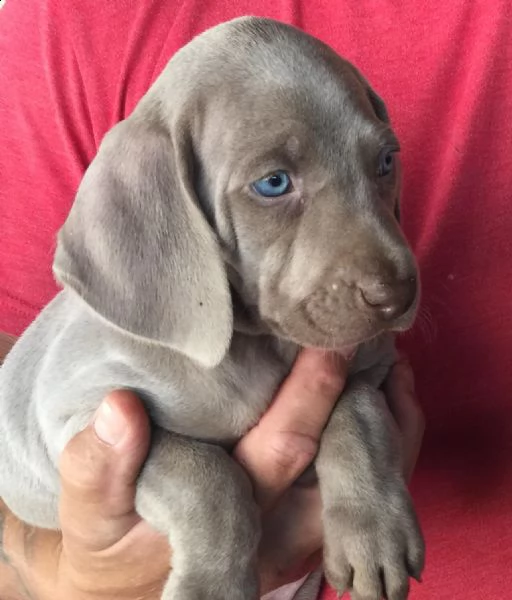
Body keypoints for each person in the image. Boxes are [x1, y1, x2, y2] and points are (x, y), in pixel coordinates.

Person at [0, 0, 511, 599]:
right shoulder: (71, 25)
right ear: (166, 217)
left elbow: (358, 388)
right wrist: (77, 579)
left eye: (380, 164)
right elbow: (68, 425)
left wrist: (360, 452)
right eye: (273, 184)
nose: (389, 274)